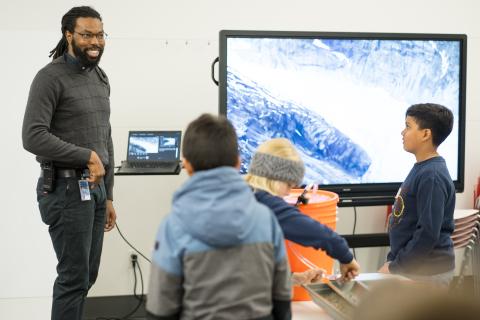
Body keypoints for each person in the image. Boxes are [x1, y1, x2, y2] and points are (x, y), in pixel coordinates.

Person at [146, 114, 291, 320]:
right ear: (238, 163)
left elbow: (161, 308)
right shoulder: (265, 219)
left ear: (187, 165)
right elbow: (282, 297)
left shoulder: (173, 226)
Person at [22, 6, 116, 320]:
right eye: (87, 34)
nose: (96, 41)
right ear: (68, 35)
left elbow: (105, 136)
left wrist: (110, 193)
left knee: (86, 277)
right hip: (64, 190)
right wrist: (86, 155)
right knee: (73, 278)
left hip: (95, 191)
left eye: (100, 34)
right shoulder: (50, 78)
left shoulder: (100, 77)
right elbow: (33, 136)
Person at [245, 138, 360, 284]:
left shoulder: (239, 193)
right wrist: (346, 257)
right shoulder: (263, 202)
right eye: (288, 185)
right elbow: (317, 233)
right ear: (275, 178)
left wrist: (295, 278)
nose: (288, 193)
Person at [379, 103, 456, 287]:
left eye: (408, 126)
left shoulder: (432, 176)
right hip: (413, 267)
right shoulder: (424, 169)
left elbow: (428, 233)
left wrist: (396, 267)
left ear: (425, 134)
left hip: (427, 272)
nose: (402, 132)